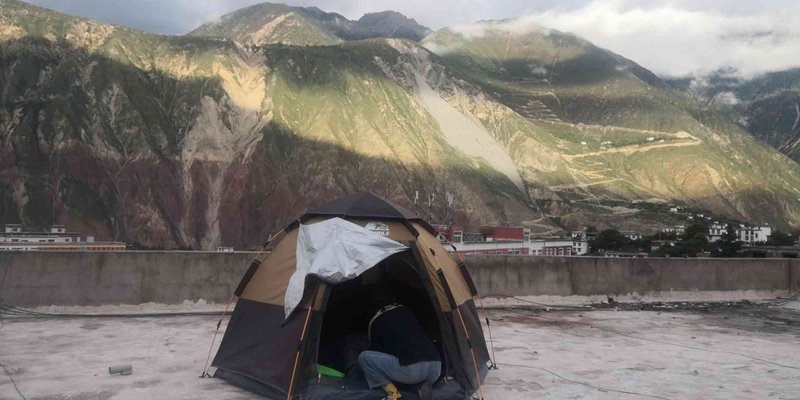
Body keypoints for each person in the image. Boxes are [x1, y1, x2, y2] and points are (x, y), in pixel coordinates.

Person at [358, 291, 441, 400]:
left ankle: (393, 394)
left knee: (365, 358)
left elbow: (377, 352)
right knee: (405, 364)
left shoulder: (377, 320)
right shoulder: (407, 311)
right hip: (436, 368)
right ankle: (420, 387)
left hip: (412, 370)